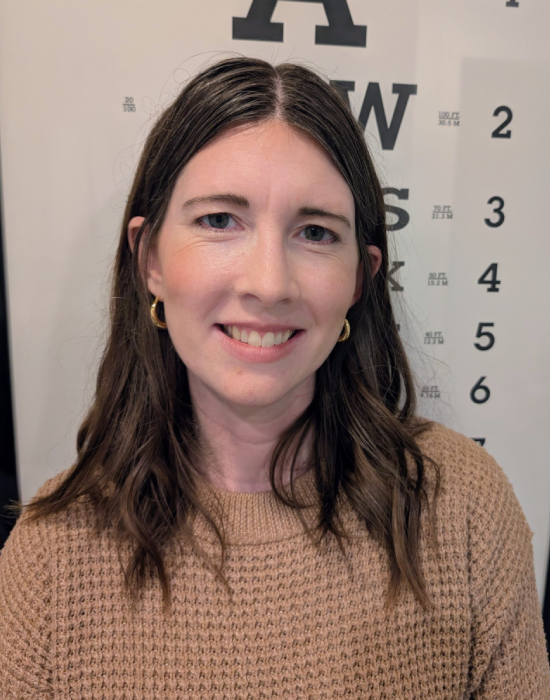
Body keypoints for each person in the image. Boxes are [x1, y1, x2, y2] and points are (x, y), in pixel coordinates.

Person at [0, 55, 548, 699]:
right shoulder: (49, 561)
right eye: (219, 221)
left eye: (315, 232)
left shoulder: (463, 510)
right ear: (150, 258)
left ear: (359, 278)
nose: (268, 283)